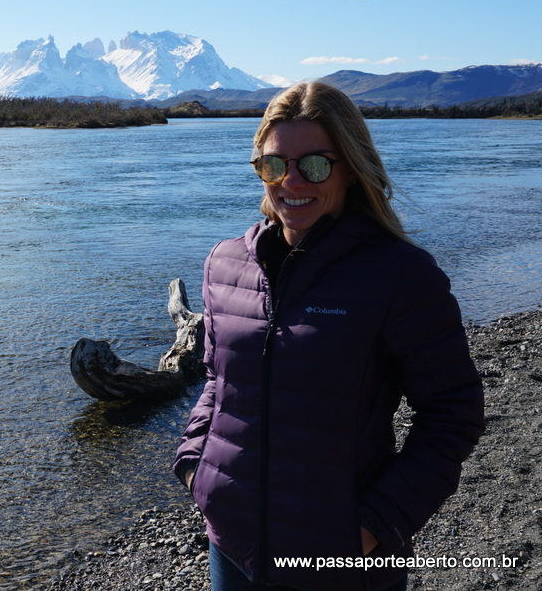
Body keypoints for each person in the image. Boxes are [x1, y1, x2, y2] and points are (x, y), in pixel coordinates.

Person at [173, 82, 485, 591]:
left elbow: (454, 412)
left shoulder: (399, 274)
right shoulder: (225, 262)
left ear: (351, 169)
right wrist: (195, 464)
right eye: (274, 164)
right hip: (232, 545)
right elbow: (217, 379)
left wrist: (373, 526)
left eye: (315, 164)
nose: (291, 180)